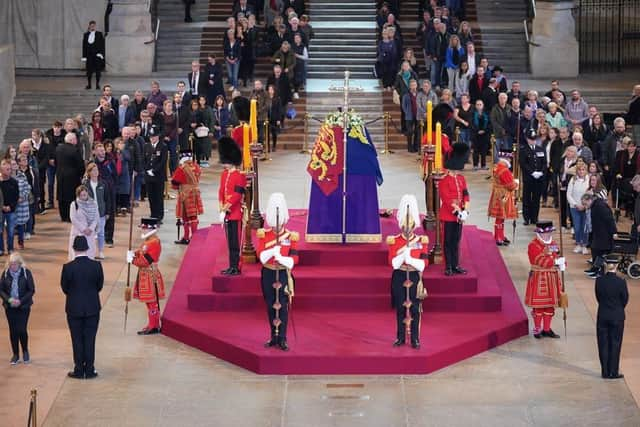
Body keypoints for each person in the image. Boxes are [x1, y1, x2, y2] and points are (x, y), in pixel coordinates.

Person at [256, 193, 298, 351]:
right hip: (268, 274)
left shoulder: (291, 236)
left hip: (283, 274)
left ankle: (283, 338)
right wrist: (273, 251)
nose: (277, 226)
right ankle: (273, 336)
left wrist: (281, 257)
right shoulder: (264, 235)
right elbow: (261, 256)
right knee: (270, 305)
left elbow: (294, 260)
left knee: (283, 306)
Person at [387, 194, 429, 349]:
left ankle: (415, 339)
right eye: (404, 228)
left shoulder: (421, 241)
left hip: (414, 275)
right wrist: (403, 252)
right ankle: (400, 337)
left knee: (415, 309)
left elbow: (424, 263)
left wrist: (410, 259)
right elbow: (392, 263)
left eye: (409, 228)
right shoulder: (394, 240)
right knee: (400, 308)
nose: (407, 231)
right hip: (399, 276)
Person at [61, 235, 104, 379]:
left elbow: (64, 288)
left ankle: (79, 369)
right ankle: (90, 369)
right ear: (87, 248)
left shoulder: (68, 268)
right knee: (90, 339)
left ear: (74, 249)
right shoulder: (96, 266)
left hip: (74, 308)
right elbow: (99, 286)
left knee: (77, 339)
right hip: (92, 308)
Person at [525, 221, 566, 339]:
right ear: (539, 233)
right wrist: (555, 262)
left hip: (552, 279)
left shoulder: (553, 243)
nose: (548, 235)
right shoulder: (533, 245)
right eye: (545, 233)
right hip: (539, 278)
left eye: (549, 232)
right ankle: (538, 329)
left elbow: (557, 254)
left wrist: (562, 263)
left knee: (549, 305)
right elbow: (540, 261)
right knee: (539, 306)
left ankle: (547, 329)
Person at [126, 218, 165, 335]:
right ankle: (152, 324)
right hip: (145, 275)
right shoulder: (149, 240)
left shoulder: (154, 242)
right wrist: (134, 253)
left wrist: (132, 260)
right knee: (149, 302)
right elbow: (142, 251)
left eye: (145, 227)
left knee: (152, 302)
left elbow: (145, 261)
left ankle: (154, 325)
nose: (143, 229)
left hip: (150, 275)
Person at [595, 254, 628, 379]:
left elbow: (598, 297)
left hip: (603, 314)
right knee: (615, 343)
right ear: (617, 266)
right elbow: (625, 299)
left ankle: (604, 371)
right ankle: (613, 372)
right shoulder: (621, 282)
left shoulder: (599, 280)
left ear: (605, 265)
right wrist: (618, 309)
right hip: (617, 316)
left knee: (603, 343)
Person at [218, 137, 247, 275]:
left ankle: (236, 266)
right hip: (227, 212)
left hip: (235, 213)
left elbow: (237, 195)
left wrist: (226, 206)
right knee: (229, 242)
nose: (224, 165)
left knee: (235, 243)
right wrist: (221, 206)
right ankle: (231, 265)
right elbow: (221, 191)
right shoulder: (224, 174)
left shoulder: (239, 175)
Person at [440, 143, 470, 276]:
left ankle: (456, 264)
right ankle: (448, 266)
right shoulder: (444, 180)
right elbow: (446, 200)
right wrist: (457, 211)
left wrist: (465, 210)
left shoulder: (461, 178)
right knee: (448, 241)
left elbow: (466, 194)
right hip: (449, 214)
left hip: (460, 215)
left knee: (456, 241)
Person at [0, 253, 35, 365]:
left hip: (23, 306)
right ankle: (15, 354)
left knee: (21, 329)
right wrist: (9, 300)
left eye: (14, 264)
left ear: (19, 264)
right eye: (10, 264)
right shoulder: (5, 274)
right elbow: (1, 290)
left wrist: (21, 301)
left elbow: (31, 290)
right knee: (13, 330)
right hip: (10, 307)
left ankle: (25, 350)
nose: (12, 266)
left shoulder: (26, 273)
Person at [171, 150, 203, 245]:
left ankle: (186, 237)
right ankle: (194, 236)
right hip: (195, 193)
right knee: (194, 216)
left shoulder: (182, 168)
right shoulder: (196, 167)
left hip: (185, 194)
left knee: (185, 217)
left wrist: (179, 187)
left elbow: (174, 183)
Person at [582, 192, 617, 278]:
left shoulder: (600, 206)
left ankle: (600, 272)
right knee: (595, 250)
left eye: (585, 204)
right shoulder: (595, 206)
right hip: (598, 233)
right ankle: (595, 268)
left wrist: (614, 232)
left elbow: (609, 219)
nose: (585, 206)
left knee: (600, 252)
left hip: (604, 234)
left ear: (589, 200)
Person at [488, 153, 518, 246]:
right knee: (501, 217)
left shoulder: (497, 167)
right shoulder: (505, 170)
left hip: (498, 194)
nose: (510, 161)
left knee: (500, 217)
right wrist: (516, 183)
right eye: (509, 159)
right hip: (503, 195)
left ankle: (499, 235)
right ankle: (499, 237)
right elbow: (510, 185)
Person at [520, 128, 547, 225]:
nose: (533, 141)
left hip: (539, 178)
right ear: (527, 139)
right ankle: (526, 218)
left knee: (536, 198)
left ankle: (535, 217)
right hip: (528, 178)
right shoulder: (523, 150)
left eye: (534, 139)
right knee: (527, 198)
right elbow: (523, 163)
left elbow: (544, 162)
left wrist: (541, 172)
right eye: (531, 139)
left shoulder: (541, 149)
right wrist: (532, 172)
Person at [83, 163, 109, 260]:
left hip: (101, 212)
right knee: (91, 234)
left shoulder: (103, 184)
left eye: (96, 170)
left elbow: (107, 198)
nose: (95, 172)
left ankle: (101, 251)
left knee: (101, 233)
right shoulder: (85, 185)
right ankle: (91, 251)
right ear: (89, 173)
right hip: (90, 214)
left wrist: (107, 212)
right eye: (93, 170)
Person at [143, 125, 168, 222]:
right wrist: (147, 170)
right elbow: (144, 160)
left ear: (158, 136)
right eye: (151, 136)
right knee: (151, 196)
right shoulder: (146, 146)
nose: (152, 138)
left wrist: (154, 170)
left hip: (158, 176)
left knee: (158, 197)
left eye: (154, 136)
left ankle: (159, 215)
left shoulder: (163, 146)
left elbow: (162, 161)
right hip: (149, 176)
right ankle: (153, 213)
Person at [69, 185, 99, 260]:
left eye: (85, 195)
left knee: (89, 254)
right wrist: (84, 229)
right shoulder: (74, 204)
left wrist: (91, 228)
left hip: (89, 234)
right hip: (78, 233)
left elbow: (96, 217)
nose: (83, 197)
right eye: (81, 195)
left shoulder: (93, 204)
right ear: (78, 195)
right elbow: (73, 218)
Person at [567, 163, 590, 254]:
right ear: (577, 171)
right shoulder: (573, 180)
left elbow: (590, 195)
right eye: (579, 170)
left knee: (585, 227)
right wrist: (576, 204)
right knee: (577, 226)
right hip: (575, 207)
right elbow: (569, 194)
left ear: (586, 171)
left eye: (583, 170)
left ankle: (584, 245)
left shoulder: (588, 180)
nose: (581, 171)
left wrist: (585, 206)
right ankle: (578, 244)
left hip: (586, 208)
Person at [0, 159, 17, 255]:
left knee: (10, 231)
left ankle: (10, 248)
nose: (8, 171)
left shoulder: (14, 182)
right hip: (0, 211)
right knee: (0, 231)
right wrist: (2, 207)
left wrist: (10, 207)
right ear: (1, 170)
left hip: (11, 210)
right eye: (6, 169)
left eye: (9, 169)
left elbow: (16, 197)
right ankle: (1, 249)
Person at [81, 21, 105, 90]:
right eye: (91, 26)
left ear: (95, 26)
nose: (92, 27)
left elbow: (102, 45)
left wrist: (101, 54)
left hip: (97, 55)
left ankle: (97, 85)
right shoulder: (86, 35)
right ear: (89, 26)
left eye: (93, 26)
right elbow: (84, 46)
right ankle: (89, 85)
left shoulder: (99, 34)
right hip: (89, 56)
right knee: (89, 71)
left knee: (98, 71)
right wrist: (84, 56)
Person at [470, 99, 491, 170]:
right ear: (475, 106)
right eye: (477, 105)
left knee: (484, 151)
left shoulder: (487, 113)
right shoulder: (472, 113)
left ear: (483, 105)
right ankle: (475, 165)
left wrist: (484, 130)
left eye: (480, 104)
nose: (479, 106)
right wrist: (477, 131)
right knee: (475, 151)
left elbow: (490, 124)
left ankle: (483, 165)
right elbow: (471, 124)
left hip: (485, 135)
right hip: (475, 135)